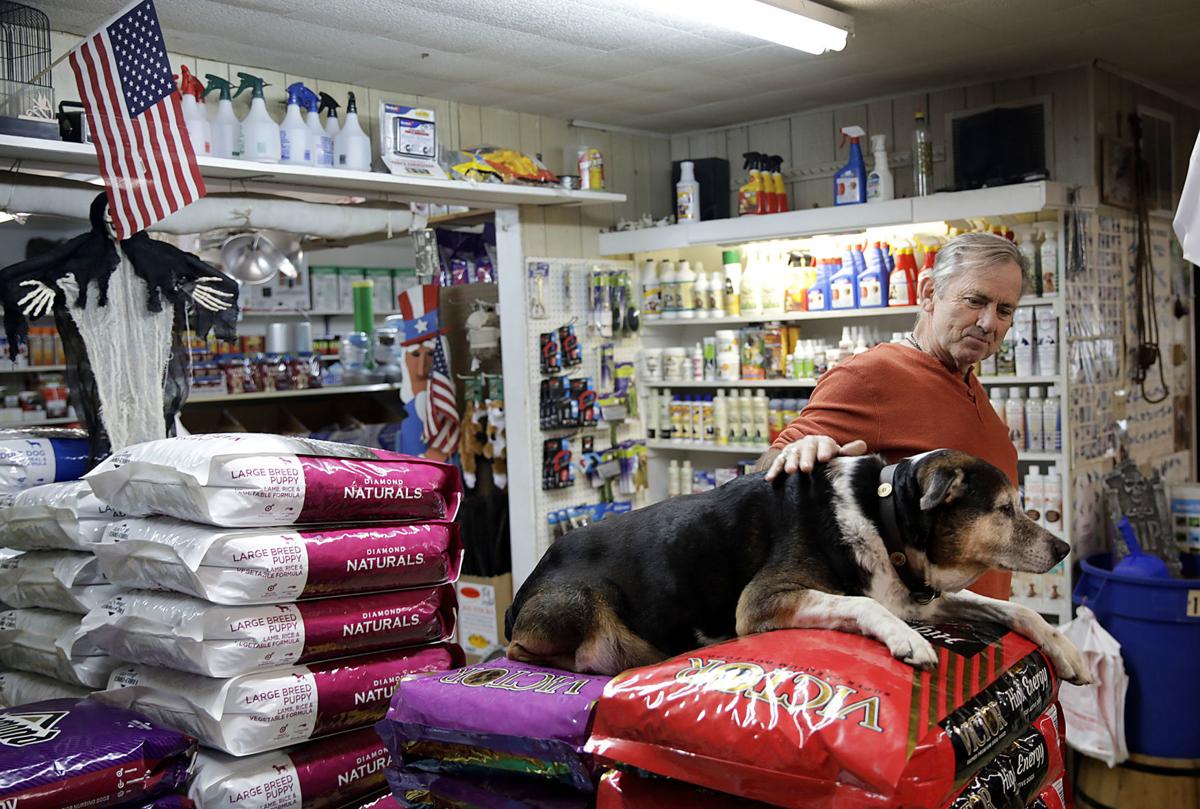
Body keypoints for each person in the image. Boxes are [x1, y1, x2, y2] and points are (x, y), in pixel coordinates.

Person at [758, 232, 1026, 599]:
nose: (988, 322)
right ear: (929, 292)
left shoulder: (966, 381)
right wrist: (803, 451)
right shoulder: (869, 377)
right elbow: (765, 474)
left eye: (1004, 310)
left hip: (975, 630)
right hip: (910, 632)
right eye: (974, 301)